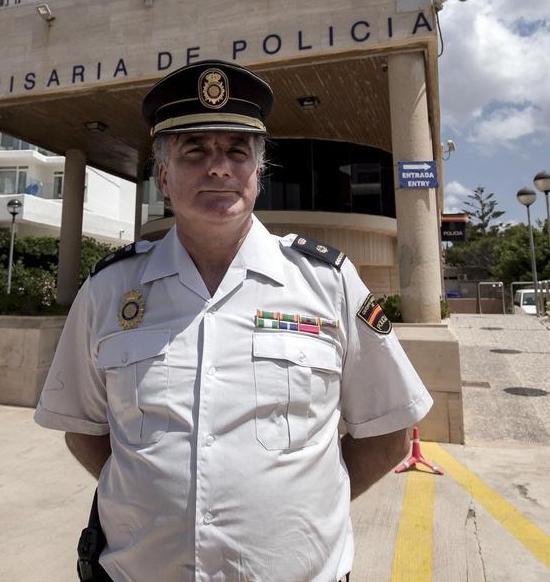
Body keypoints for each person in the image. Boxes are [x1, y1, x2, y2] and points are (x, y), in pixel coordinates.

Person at [34, 60, 433, 581]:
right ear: (162, 174)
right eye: (195, 150)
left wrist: (307, 505)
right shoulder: (108, 291)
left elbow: (388, 432)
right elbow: (84, 429)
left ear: (257, 172)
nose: (218, 167)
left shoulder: (328, 283)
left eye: (236, 151)